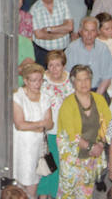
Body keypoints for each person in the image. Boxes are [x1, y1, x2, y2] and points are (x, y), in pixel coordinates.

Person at [57, 64, 112, 198]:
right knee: (67, 195)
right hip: (72, 157)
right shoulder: (68, 104)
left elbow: (108, 125)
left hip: (92, 157)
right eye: (79, 80)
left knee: (86, 194)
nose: (84, 83)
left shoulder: (99, 99)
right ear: (73, 82)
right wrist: (90, 147)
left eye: (87, 79)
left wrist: (101, 144)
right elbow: (71, 135)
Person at [13, 62, 53, 198]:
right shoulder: (18, 97)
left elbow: (50, 123)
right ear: (25, 81)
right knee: (22, 181)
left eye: (40, 80)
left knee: (36, 183)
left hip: (39, 147)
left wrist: (35, 126)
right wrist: (40, 124)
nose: (38, 84)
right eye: (34, 80)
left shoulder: (45, 97)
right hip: (23, 147)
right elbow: (20, 124)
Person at [37, 50, 74, 198]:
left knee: (58, 167)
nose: (54, 69)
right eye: (51, 65)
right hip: (47, 131)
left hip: (65, 130)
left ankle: (53, 195)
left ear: (63, 66)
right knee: (45, 165)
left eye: (57, 65)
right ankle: (42, 195)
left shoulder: (71, 79)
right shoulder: (42, 80)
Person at [64, 17, 112, 95]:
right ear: (80, 31)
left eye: (93, 31)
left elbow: (107, 78)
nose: (89, 35)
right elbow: (66, 76)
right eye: (86, 30)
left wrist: (95, 97)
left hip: (98, 91)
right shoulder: (71, 49)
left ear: (97, 32)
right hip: (75, 91)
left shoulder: (103, 49)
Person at [31, 0, 73, 67]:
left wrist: (50, 29)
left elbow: (69, 27)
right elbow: (39, 35)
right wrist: (61, 33)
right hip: (43, 53)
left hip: (64, 51)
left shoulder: (62, 3)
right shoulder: (34, 10)